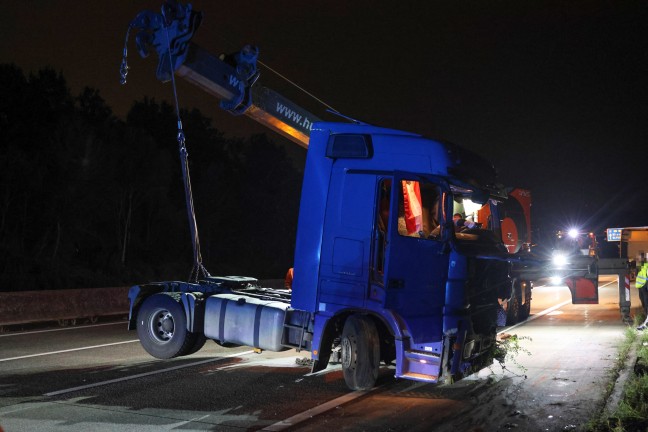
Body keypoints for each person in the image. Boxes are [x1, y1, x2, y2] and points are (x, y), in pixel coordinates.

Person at [636, 262, 648, 330]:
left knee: (646, 305)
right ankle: (646, 323)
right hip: (642, 287)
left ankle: (646, 324)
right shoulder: (642, 265)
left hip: (645, 287)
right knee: (645, 305)